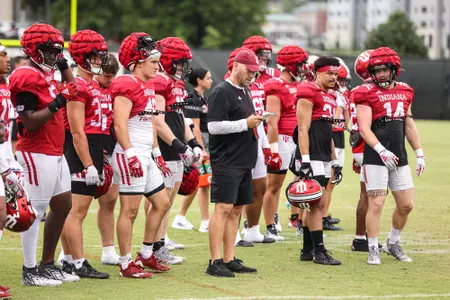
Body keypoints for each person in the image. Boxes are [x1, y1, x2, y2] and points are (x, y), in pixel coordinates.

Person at [9, 23, 79, 286]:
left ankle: (47, 264)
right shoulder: (25, 75)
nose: (53, 56)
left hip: (54, 150)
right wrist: (58, 101)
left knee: (63, 206)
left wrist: (63, 67)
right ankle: (30, 271)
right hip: (36, 151)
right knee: (36, 211)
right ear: (33, 50)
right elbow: (29, 121)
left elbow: (75, 92)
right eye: (49, 51)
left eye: (57, 52)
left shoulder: (47, 74)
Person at [354, 47, 425, 265]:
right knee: (377, 202)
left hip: (399, 155)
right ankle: (373, 248)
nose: (381, 75)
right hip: (376, 156)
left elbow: (408, 123)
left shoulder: (405, 91)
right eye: (377, 71)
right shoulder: (365, 93)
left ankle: (392, 243)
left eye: (385, 70)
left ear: (394, 69)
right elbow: (364, 129)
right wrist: (381, 151)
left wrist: (419, 152)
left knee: (406, 204)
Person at [111, 32, 172, 278]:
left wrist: (156, 153)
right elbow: (119, 125)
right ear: (137, 62)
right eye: (153, 61)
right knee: (130, 210)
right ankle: (126, 263)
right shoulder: (126, 85)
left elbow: (150, 124)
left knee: (162, 202)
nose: (158, 66)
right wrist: (130, 153)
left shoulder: (147, 85)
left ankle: (146, 253)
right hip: (131, 154)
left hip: (145, 153)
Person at [59, 29, 111, 279]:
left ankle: (70, 260)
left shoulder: (91, 84)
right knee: (76, 211)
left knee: (75, 210)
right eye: (96, 56)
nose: (100, 61)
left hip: (93, 148)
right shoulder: (77, 86)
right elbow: (78, 131)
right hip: (81, 150)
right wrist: (89, 164)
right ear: (82, 57)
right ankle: (77, 262)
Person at [205, 48, 262, 277]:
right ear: (236, 65)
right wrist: (244, 124)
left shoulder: (245, 90)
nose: (252, 75)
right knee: (223, 208)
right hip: (227, 159)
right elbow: (213, 126)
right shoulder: (221, 91)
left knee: (237, 209)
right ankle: (214, 260)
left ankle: (229, 258)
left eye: (255, 72)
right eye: (249, 70)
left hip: (244, 158)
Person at [150, 37, 200, 262]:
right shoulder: (159, 81)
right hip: (166, 147)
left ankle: (162, 239)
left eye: (184, 63)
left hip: (177, 146)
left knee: (169, 200)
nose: (182, 68)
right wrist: (180, 146)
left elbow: (181, 118)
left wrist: (193, 143)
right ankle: (155, 246)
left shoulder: (177, 84)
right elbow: (158, 122)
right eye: (178, 63)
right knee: (161, 200)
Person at [296, 56, 343, 265]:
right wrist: (305, 159)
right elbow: (303, 128)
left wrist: (335, 162)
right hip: (311, 154)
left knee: (315, 203)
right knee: (317, 203)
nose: (334, 77)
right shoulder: (308, 91)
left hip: (323, 154)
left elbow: (328, 132)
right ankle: (319, 251)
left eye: (336, 73)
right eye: (330, 73)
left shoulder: (331, 96)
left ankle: (307, 249)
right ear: (318, 72)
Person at [262, 45, 309, 242]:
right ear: (290, 65)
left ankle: (300, 222)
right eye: (301, 64)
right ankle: (270, 226)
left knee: (304, 182)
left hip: (301, 139)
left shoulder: (302, 85)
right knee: (274, 185)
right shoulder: (276, 86)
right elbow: (272, 121)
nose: (304, 68)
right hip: (283, 139)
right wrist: (274, 150)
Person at [242, 36, 283, 232]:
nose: (265, 58)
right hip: (247, 134)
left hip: (267, 132)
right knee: (247, 183)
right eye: (260, 55)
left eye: (267, 54)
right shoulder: (241, 79)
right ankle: (247, 222)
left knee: (269, 182)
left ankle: (266, 218)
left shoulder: (271, 76)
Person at [172, 68, 212, 232]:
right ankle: (202, 221)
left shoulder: (202, 99)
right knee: (200, 182)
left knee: (201, 183)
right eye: (208, 78)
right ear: (199, 80)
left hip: (204, 140)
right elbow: (195, 127)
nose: (211, 81)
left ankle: (184, 218)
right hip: (197, 143)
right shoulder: (192, 99)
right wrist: (201, 148)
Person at [95, 53, 121, 264]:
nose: (110, 79)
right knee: (77, 206)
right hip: (89, 149)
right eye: (106, 75)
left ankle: (108, 249)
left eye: (113, 75)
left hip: (110, 148)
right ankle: (66, 253)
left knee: (110, 201)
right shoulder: (88, 87)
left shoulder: (115, 89)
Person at [349, 49, 374, 252]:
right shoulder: (368, 92)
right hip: (368, 147)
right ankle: (360, 238)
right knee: (368, 195)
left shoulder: (358, 91)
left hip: (361, 146)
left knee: (370, 194)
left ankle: (365, 235)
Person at [0, 43, 13, 300]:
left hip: (3, 156)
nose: (7, 58)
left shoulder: (6, 86)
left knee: (2, 216)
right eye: (2, 55)